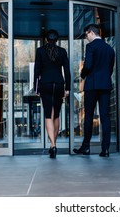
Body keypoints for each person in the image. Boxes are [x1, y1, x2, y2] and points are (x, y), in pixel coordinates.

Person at [73, 24, 115, 157]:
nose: (86, 38)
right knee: (105, 117)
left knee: (89, 116)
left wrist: (83, 74)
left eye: (86, 35)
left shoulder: (91, 47)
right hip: (105, 85)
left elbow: (88, 65)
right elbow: (110, 69)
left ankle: (86, 147)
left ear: (91, 33)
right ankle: (106, 149)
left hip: (92, 85)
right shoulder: (110, 49)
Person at [33, 29, 70, 158]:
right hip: (59, 84)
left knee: (48, 114)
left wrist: (36, 88)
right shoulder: (62, 51)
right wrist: (68, 88)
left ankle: (53, 145)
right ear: (57, 39)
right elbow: (67, 71)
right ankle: (53, 145)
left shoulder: (40, 51)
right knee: (57, 115)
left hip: (46, 84)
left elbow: (36, 71)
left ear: (46, 39)